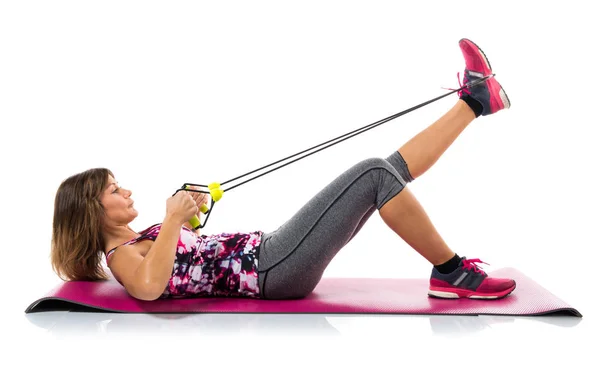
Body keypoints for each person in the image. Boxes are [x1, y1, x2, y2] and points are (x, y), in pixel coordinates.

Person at [51, 38, 515, 302]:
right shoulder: (122, 259)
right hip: (273, 269)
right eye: (113, 190)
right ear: (91, 212)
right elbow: (150, 288)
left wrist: (187, 219)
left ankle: (474, 102)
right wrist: (172, 221)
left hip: (272, 255)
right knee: (374, 173)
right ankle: (452, 273)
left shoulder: (137, 241)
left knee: (384, 174)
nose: (125, 190)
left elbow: (179, 263)